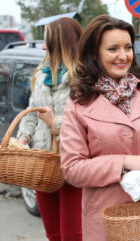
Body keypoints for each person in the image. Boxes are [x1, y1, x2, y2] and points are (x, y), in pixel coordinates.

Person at [59, 15, 140, 241]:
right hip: (106, 217)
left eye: (128, 47)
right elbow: (72, 168)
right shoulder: (78, 104)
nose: (123, 56)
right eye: (112, 49)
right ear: (94, 54)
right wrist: (124, 162)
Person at [17, 17, 83, 241]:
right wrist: (24, 137)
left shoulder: (83, 77)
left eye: (47, 38)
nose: (43, 45)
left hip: (73, 165)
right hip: (43, 164)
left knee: (72, 235)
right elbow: (32, 112)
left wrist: (55, 123)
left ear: (60, 41)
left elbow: (90, 123)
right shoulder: (39, 73)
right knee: (53, 234)